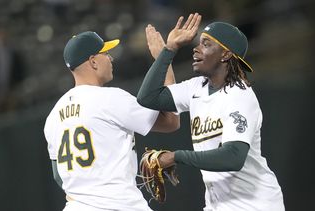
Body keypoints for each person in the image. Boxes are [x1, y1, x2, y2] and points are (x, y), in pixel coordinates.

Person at [137, 13, 285, 211]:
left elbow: (233, 157)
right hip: (219, 204)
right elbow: (148, 97)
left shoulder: (239, 95)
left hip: (255, 205)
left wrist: (175, 156)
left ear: (225, 54)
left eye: (206, 44)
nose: (196, 49)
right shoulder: (197, 88)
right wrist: (168, 50)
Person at [43, 31, 179, 211]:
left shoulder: (53, 116)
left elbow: (58, 175)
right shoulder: (111, 98)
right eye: (105, 53)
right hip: (119, 205)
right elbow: (171, 121)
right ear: (93, 61)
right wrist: (164, 60)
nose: (110, 58)